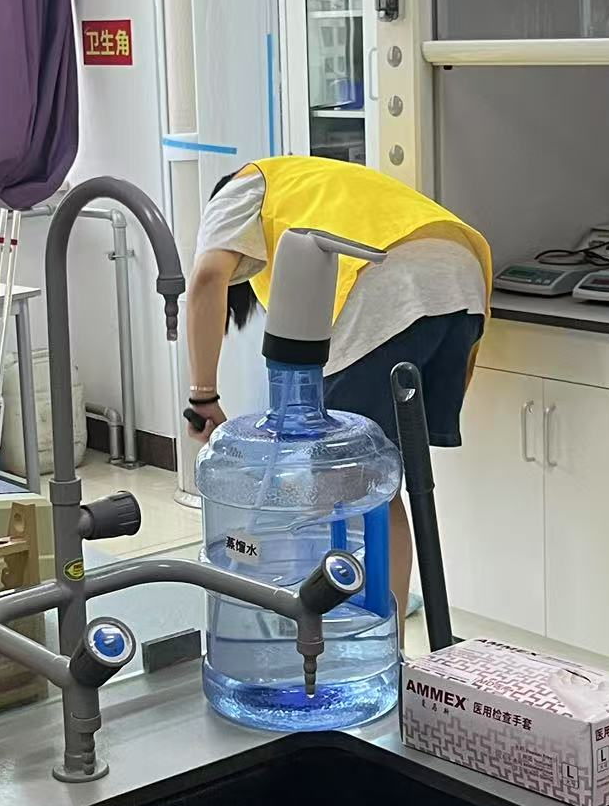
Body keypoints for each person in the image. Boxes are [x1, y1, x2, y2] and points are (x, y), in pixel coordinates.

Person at [183, 156, 492, 615]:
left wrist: (203, 394)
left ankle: (356, 636)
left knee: (343, 483)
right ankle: (388, 631)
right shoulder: (313, 184)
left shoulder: (243, 186)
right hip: (462, 281)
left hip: (388, 285)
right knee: (377, 484)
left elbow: (208, 277)